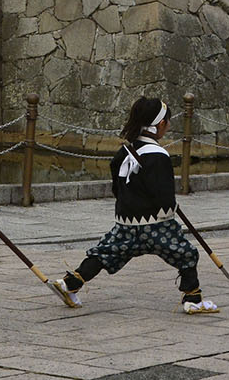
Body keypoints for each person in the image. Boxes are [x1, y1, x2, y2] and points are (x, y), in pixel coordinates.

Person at [51, 97, 219, 314]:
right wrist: (170, 209)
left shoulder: (125, 152)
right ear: (160, 125)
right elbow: (164, 195)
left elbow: (117, 188)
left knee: (104, 253)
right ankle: (193, 298)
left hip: (127, 222)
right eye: (167, 123)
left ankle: (69, 284)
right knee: (185, 253)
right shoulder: (158, 156)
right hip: (155, 223)